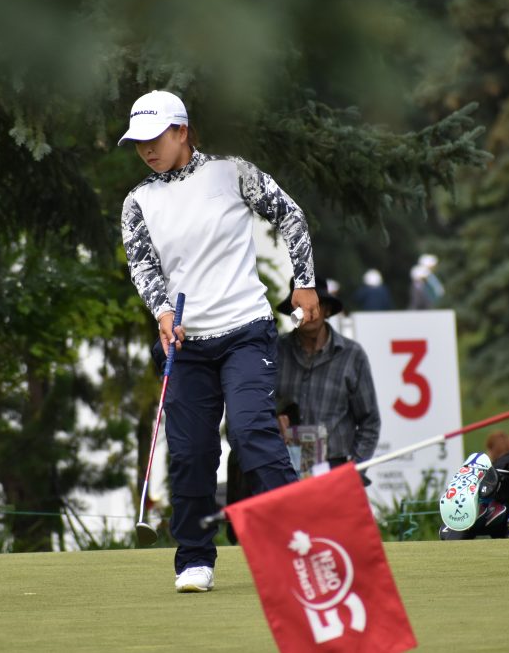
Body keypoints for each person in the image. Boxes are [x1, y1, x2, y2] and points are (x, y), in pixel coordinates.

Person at [118, 90, 320, 593]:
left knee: (253, 433)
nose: (145, 150)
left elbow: (290, 215)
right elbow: (144, 270)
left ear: (181, 131)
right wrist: (163, 312)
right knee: (190, 452)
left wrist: (305, 281)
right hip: (187, 345)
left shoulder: (231, 173)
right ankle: (193, 559)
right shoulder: (137, 202)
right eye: (137, 142)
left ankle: (297, 545)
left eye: (154, 138)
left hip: (245, 331)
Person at [275, 275, 381, 475]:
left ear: (327, 310)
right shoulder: (275, 352)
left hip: (334, 467)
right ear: (292, 312)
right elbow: (254, 406)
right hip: (282, 465)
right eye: (299, 306)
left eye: (315, 304)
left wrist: (355, 470)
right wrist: (273, 418)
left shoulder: (352, 355)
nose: (307, 311)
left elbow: (370, 421)